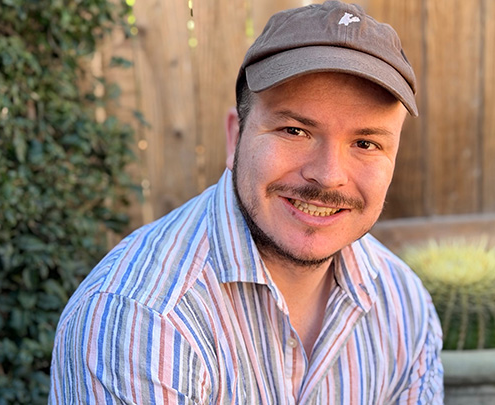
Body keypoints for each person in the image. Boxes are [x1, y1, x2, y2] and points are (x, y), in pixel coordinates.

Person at [50, 1, 443, 403]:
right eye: (294, 130)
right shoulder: (142, 320)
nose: (327, 175)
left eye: (365, 143)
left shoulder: (403, 303)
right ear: (235, 137)